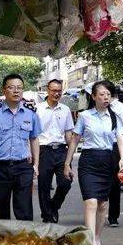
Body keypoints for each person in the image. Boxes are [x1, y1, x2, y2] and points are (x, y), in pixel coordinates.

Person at [65, 81, 123, 245]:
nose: (105, 97)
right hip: (89, 162)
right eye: (102, 94)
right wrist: (67, 163)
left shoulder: (115, 117)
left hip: (107, 161)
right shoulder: (84, 116)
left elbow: (120, 138)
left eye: (108, 94)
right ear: (93, 97)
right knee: (91, 202)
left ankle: (97, 237)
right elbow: (75, 140)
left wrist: (122, 158)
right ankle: (90, 244)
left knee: (102, 205)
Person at [0, 74, 42, 220]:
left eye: (19, 88)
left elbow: (34, 138)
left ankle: (23, 241)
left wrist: (36, 164)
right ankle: (1, 241)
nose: (16, 91)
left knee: (24, 209)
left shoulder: (30, 113)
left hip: (23, 167)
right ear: (4, 90)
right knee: (0, 210)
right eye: (11, 87)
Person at [36, 79, 75, 223]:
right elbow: (33, 135)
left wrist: (69, 158)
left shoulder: (65, 110)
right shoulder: (38, 109)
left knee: (66, 182)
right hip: (43, 151)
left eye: (59, 91)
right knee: (44, 186)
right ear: (47, 90)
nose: (56, 93)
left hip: (61, 151)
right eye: (54, 90)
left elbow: (69, 134)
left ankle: (54, 206)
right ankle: (47, 216)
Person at [104, 80, 123, 227]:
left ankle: (113, 216)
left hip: (116, 148)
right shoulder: (96, 107)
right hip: (99, 149)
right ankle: (97, 211)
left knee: (115, 183)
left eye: (106, 93)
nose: (104, 96)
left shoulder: (121, 109)